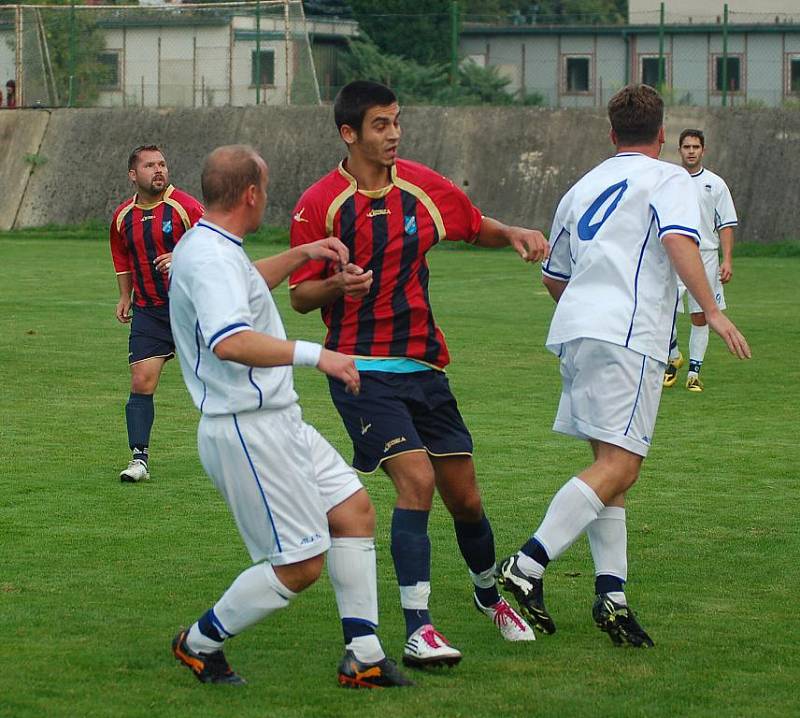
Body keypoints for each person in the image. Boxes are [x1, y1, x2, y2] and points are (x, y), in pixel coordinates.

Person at [288, 80, 548, 667]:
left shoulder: (422, 187)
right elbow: (301, 298)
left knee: (467, 501)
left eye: (397, 122)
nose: (394, 134)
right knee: (417, 483)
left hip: (424, 367)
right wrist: (337, 285)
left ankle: (489, 597)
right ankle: (419, 627)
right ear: (349, 133)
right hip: (360, 370)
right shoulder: (319, 204)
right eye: (381, 125)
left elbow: (470, 223)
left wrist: (511, 233)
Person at [496, 84, 750, 648]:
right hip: (628, 333)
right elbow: (680, 240)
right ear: (662, 136)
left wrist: (590, 312)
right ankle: (528, 564)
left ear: (612, 135)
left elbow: (553, 276)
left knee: (609, 468)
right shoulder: (669, 179)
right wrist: (712, 312)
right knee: (623, 466)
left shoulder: (582, 186)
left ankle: (612, 598)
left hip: (576, 330)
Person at [168, 144, 411, 689]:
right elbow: (229, 340)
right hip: (248, 429)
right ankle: (199, 642)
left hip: (278, 420)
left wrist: (304, 255)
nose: (267, 199)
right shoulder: (208, 257)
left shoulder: (213, 245)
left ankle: (364, 656)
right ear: (251, 194)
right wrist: (316, 354)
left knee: (352, 510)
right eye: (267, 189)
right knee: (299, 566)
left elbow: (245, 282)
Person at [110, 145, 204, 482]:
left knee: (223, 381)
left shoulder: (186, 206)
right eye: (150, 165)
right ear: (133, 175)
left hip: (195, 310)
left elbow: (216, 247)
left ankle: (250, 450)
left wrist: (181, 258)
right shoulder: (123, 216)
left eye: (162, 163)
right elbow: (122, 256)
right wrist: (125, 296)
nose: (159, 170)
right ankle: (139, 460)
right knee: (141, 380)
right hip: (150, 311)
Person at [663, 128, 738, 392]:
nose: (691, 151)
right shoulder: (669, 181)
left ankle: (693, 372)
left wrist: (726, 260)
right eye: (686, 147)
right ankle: (673, 356)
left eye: (696, 147)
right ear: (680, 150)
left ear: (703, 150)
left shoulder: (716, 184)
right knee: (664, 308)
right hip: (674, 253)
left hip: (705, 255)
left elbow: (726, 225)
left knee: (700, 315)